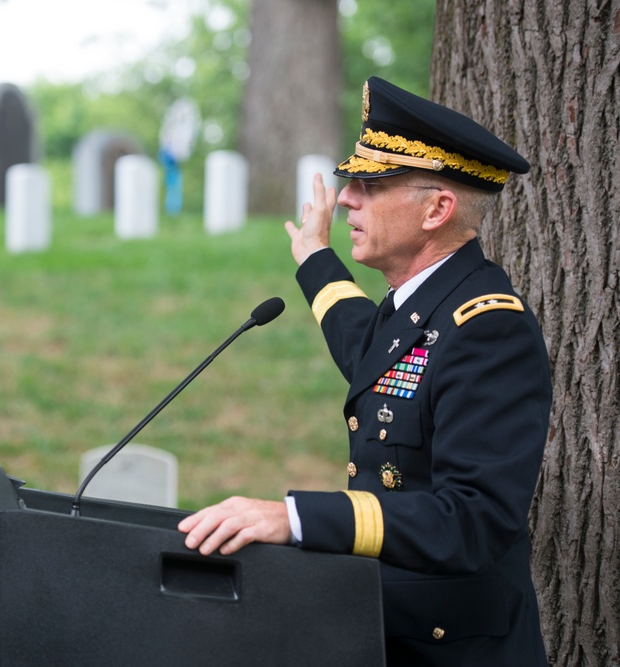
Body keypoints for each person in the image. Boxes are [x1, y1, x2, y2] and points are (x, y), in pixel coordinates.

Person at [178, 76, 551, 666]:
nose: (346, 196)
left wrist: (295, 517)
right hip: (383, 627)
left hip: (452, 651)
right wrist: (314, 259)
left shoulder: (487, 327)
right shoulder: (418, 305)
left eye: (370, 185)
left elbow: (472, 519)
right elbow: (366, 347)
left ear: (437, 208)